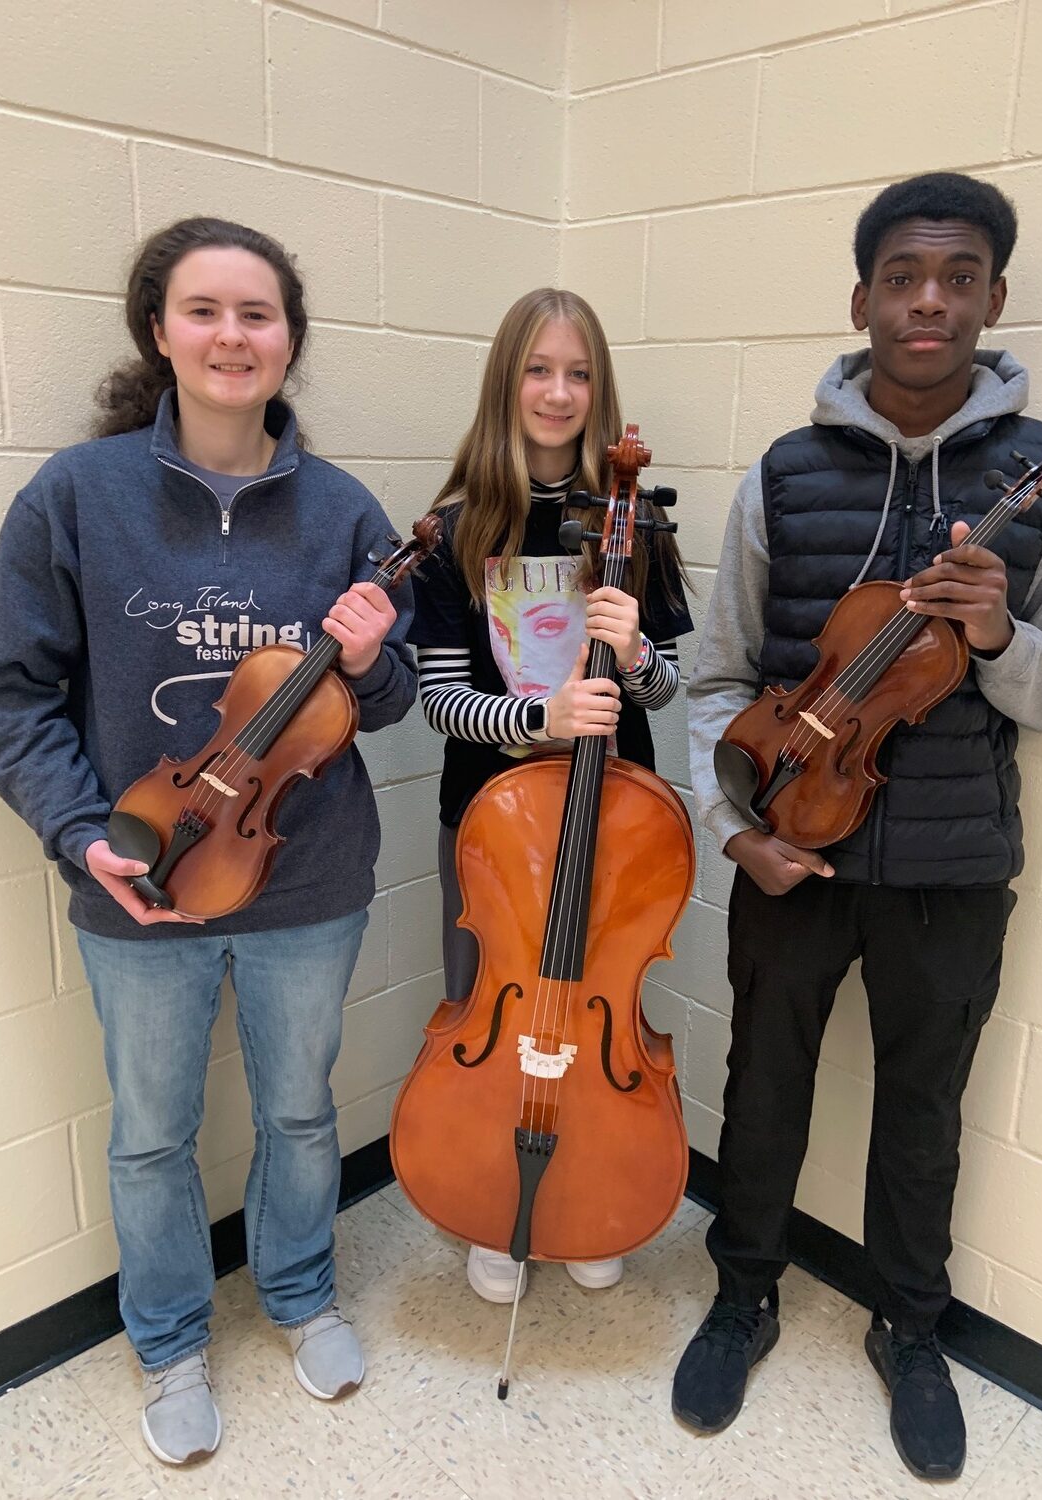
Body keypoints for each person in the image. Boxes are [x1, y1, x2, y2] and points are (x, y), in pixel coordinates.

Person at [0, 218, 417, 1465]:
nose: (232, 336)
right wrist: (75, 830)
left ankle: (300, 1292)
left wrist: (375, 659)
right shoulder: (76, 494)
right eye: (205, 311)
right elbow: (6, 690)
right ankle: (166, 1342)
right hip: (143, 878)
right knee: (151, 1132)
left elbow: (388, 697)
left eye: (257, 315)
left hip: (308, 879)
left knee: (301, 1113)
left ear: (289, 341)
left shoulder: (341, 509)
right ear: (158, 328)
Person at [678, 173, 1042, 1481]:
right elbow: (720, 680)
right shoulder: (784, 475)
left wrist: (993, 634)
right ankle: (742, 1291)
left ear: (993, 299)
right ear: (860, 297)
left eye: (958, 277)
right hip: (790, 849)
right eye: (903, 276)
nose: (928, 300)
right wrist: (732, 829)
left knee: (925, 1110)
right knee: (763, 1093)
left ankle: (909, 1328)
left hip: (955, 869)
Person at [408, 287, 692, 1304]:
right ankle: (496, 1204)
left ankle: (593, 1192)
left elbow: (665, 688)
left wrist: (636, 649)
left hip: (619, 819)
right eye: (538, 370)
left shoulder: (632, 516)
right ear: (506, 382)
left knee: (598, 1006)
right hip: (489, 823)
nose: (559, 392)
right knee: (492, 1003)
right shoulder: (454, 529)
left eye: (578, 373)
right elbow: (439, 702)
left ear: (598, 386)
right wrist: (539, 725)